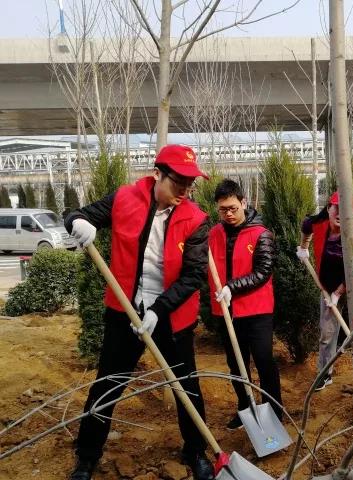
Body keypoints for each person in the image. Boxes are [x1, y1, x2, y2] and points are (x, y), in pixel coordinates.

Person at [65, 145, 213, 480]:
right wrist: (78, 222)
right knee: (107, 385)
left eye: (190, 184)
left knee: (186, 386)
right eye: (179, 182)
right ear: (157, 174)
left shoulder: (196, 219)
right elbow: (77, 214)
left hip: (172, 316)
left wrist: (159, 309)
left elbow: (193, 275)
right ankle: (87, 456)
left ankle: (196, 451)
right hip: (125, 312)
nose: (185, 190)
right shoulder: (125, 199)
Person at [208, 179, 283, 429]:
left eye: (233, 208)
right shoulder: (214, 234)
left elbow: (263, 271)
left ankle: (274, 413)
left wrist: (231, 287)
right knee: (236, 364)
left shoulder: (262, 234)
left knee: (263, 360)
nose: (228, 214)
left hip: (256, 310)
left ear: (243, 202)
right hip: (226, 311)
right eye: (223, 209)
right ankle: (245, 407)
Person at [296, 191, 353, 391]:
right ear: (328, 208)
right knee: (327, 333)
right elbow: (305, 226)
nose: (338, 213)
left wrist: (337, 294)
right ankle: (325, 374)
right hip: (327, 287)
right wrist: (304, 247)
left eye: (344, 209)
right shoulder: (319, 223)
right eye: (335, 207)